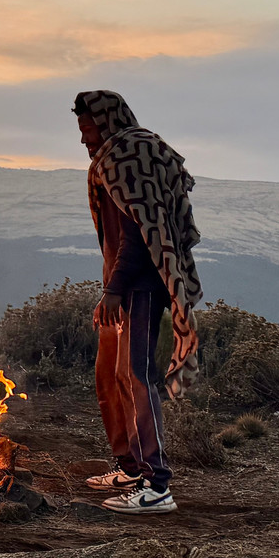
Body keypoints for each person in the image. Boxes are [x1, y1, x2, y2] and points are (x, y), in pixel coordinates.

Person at [73, 90, 203, 514]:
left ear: (105, 122)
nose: (84, 140)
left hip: (141, 284)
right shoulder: (131, 152)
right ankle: (131, 466)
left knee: (137, 376)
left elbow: (137, 233)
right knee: (112, 375)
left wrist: (114, 289)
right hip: (127, 283)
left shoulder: (126, 156)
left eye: (87, 129)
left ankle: (157, 485)